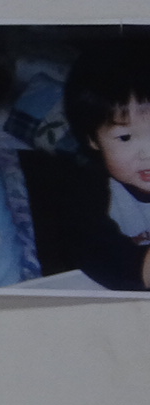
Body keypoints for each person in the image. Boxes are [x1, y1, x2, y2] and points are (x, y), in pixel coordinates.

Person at [58, 40, 150, 289]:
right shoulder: (89, 191)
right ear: (94, 140)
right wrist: (140, 268)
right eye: (125, 137)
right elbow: (89, 250)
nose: (147, 154)